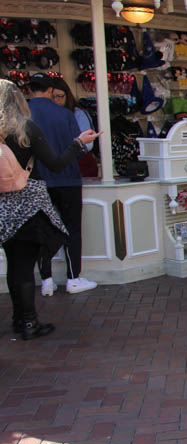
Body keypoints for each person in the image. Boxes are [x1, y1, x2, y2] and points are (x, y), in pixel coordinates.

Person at [0, 80, 99, 339]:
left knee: (15, 264)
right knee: (24, 263)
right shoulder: (26, 130)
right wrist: (78, 143)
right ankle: (28, 322)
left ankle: (20, 318)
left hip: (3, 205)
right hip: (28, 201)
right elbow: (56, 163)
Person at [27, 73, 97, 295]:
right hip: (67, 178)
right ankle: (73, 278)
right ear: (50, 90)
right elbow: (76, 148)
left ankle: (46, 279)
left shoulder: (23, 114)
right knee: (71, 229)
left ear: (31, 89)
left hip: (36, 181)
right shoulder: (65, 115)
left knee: (42, 229)